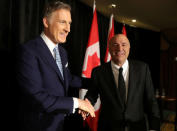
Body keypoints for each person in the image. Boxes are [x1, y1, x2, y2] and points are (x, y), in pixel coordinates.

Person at [16, 1, 95, 131]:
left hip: (58, 124)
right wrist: (77, 102)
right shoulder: (28, 51)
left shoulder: (62, 52)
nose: (68, 29)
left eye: (69, 23)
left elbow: (67, 78)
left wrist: (94, 82)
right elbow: (37, 97)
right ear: (46, 22)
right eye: (62, 22)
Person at [80, 34, 160, 131]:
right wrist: (87, 104)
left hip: (137, 127)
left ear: (129, 48)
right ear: (109, 49)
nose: (120, 48)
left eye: (123, 44)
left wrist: (154, 127)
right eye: (115, 45)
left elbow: (151, 100)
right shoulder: (99, 72)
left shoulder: (143, 69)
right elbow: (92, 94)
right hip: (108, 127)